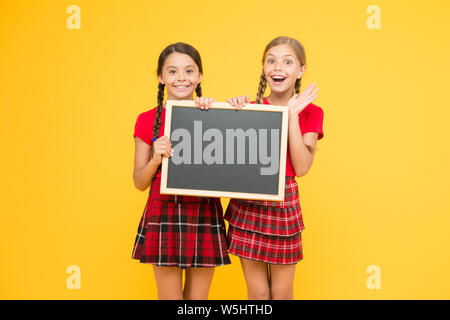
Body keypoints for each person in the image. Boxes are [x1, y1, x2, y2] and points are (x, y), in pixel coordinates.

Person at [224, 36, 324, 300]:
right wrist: (230, 114)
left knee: (281, 293)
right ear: (264, 68)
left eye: (287, 61)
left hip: (283, 201)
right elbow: (231, 159)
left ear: (300, 70)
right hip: (249, 202)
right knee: (257, 293)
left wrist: (291, 116)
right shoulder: (251, 108)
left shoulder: (312, 112)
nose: (278, 67)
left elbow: (302, 167)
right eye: (271, 61)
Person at [131, 42, 230, 300]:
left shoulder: (214, 114)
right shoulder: (146, 119)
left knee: (197, 302)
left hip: (203, 209)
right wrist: (155, 159)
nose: (181, 78)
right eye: (172, 71)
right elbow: (139, 182)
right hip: (164, 210)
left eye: (189, 71)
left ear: (199, 77)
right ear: (161, 77)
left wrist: (218, 112)